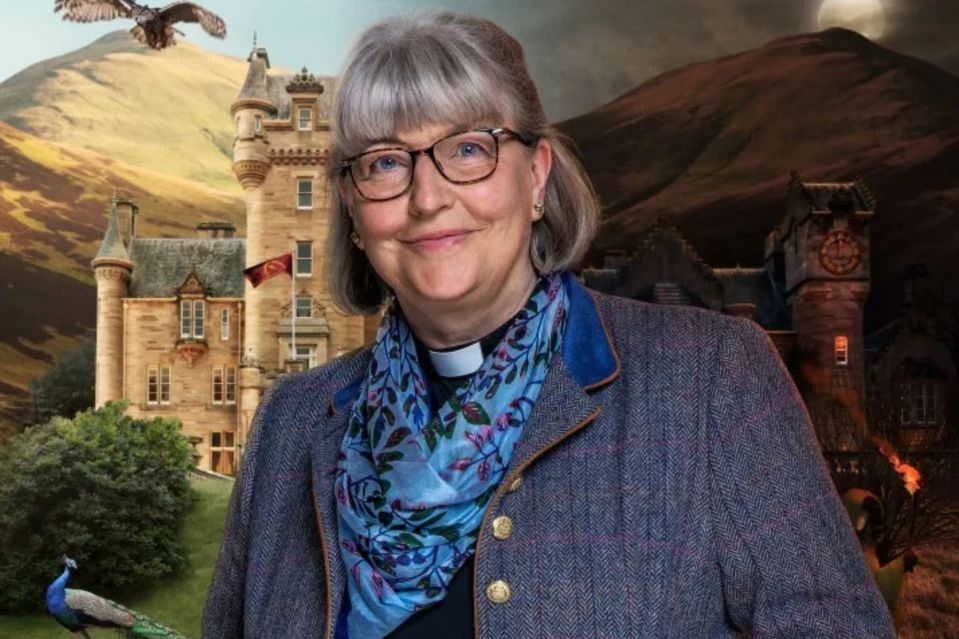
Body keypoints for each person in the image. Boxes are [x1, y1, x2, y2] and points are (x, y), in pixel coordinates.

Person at [202, 11, 896, 639]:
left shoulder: (710, 379)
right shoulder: (291, 426)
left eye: (468, 148)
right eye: (386, 162)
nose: (428, 196)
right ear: (354, 213)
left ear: (535, 177)